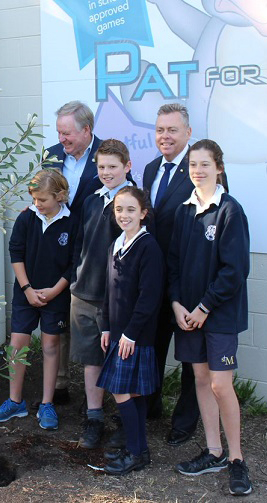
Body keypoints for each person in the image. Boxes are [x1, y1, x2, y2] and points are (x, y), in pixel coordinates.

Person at [169, 139, 251, 496]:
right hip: (188, 315)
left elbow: (234, 271)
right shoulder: (184, 211)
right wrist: (177, 304)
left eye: (205, 164)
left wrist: (204, 308)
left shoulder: (231, 211)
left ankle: (236, 459)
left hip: (218, 315)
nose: (197, 171)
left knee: (220, 384)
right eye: (192, 165)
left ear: (219, 167)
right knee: (201, 379)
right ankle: (214, 451)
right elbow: (172, 263)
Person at [0, 169, 77, 429]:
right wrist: (26, 288)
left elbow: (73, 263)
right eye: (34, 199)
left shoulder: (72, 222)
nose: (38, 204)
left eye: (43, 200)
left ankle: (47, 404)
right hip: (25, 292)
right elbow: (15, 252)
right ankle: (15, 402)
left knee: (51, 346)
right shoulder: (27, 218)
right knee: (17, 344)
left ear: (60, 196)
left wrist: (54, 291)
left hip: (56, 295)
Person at [142, 103, 200, 444]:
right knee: (154, 348)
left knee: (191, 356)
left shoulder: (201, 171)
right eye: (160, 129)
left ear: (188, 133)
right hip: (155, 280)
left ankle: (185, 422)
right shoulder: (150, 169)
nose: (165, 136)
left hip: (189, 283)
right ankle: (150, 407)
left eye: (172, 130)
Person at [70, 139, 133, 449]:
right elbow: (79, 242)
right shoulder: (91, 200)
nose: (106, 172)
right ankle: (94, 417)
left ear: (127, 167)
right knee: (91, 360)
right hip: (84, 293)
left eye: (113, 167)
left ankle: (125, 421)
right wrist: (74, 279)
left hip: (116, 298)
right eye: (101, 167)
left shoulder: (131, 205)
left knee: (120, 362)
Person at [97, 186, 164, 475]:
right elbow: (109, 291)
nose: (124, 215)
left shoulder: (148, 247)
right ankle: (139, 451)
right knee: (131, 393)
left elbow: (149, 297)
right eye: (119, 210)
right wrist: (105, 327)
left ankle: (136, 451)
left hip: (135, 336)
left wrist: (131, 334)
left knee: (121, 391)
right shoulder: (116, 244)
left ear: (143, 213)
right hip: (117, 333)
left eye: (131, 210)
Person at [45, 101, 103, 405]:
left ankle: (98, 393)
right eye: (59, 133)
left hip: (93, 251)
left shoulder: (107, 155)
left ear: (87, 130)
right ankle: (60, 384)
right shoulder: (51, 155)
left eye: (67, 134)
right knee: (58, 316)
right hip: (58, 247)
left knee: (92, 320)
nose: (62, 139)